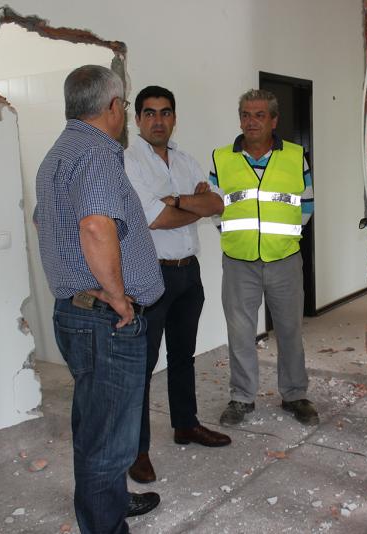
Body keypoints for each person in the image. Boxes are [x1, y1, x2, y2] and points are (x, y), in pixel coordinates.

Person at [34, 65, 164, 533]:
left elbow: (43, 221)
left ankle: (109, 503)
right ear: (112, 107)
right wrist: (118, 297)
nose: (123, 114)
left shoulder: (60, 152)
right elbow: (94, 225)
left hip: (80, 314)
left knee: (96, 424)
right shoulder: (96, 153)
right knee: (109, 439)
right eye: (125, 106)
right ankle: (104, 525)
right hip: (105, 320)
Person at [123, 86, 231, 484]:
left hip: (189, 272)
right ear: (137, 119)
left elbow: (216, 204)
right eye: (150, 113)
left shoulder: (186, 160)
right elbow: (155, 219)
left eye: (165, 112)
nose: (158, 120)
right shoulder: (129, 162)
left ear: (174, 118)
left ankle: (186, 424)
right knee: (143, 365)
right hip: (150, 274)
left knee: (183, 355)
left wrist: (175, 200)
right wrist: (188, 205)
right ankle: (137, 451)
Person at [209, 89, 317, 426]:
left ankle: (295, 394)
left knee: (290, 330)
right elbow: (214, 207)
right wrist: (238, 238)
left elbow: (306, 204)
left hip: (284, 260)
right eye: (246, 115)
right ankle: (242, 398)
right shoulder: (221, 158)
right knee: (240, 333)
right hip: (238, 261)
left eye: (259, 115)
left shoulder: (295, 156)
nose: (251, 121)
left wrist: (282, 239)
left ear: (274, 120)